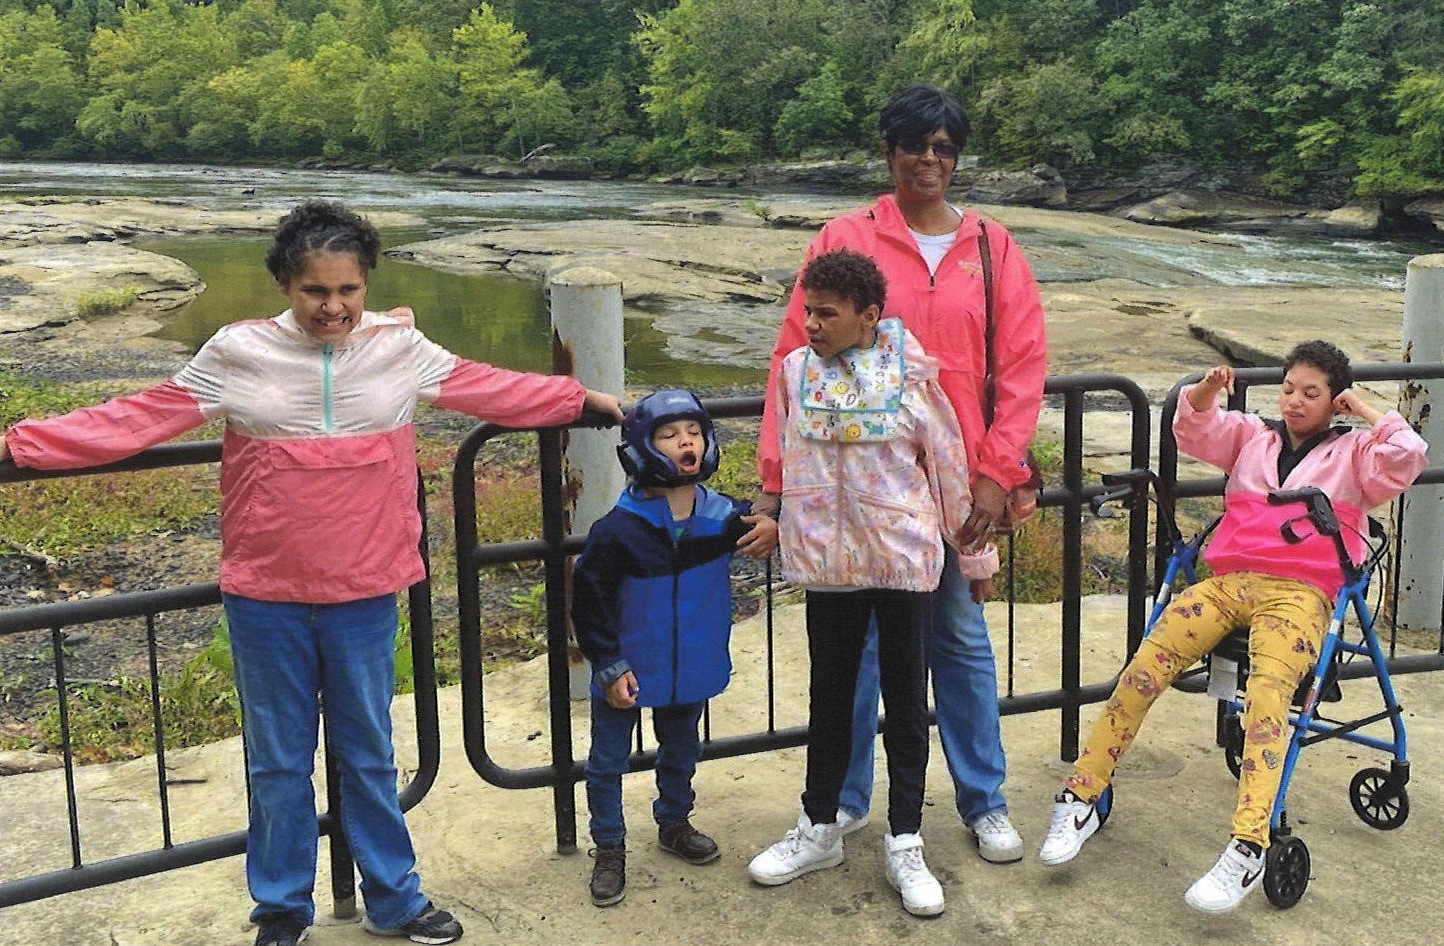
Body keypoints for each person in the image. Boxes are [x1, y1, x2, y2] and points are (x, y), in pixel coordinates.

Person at [0, 200, 625, 946]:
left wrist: (582, 401)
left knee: (369, 755)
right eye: (315, 292)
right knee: (277, 764)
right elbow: (138, 417)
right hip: (266, 594)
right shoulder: (236, 351)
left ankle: (395, 898)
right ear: (284, 287)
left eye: (347, 291)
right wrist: (23, 444)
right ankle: (281, 910)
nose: (333, 307)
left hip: (365, 588)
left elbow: (487, 387)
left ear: (366, 286)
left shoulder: (400, 346)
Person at [756, 82, 1047, 865]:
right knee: (852, 653)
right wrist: (775, 486)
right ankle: (847, 803)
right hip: (860, 488)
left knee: (957, 639)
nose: (931, 159)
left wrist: (997, 471)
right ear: (889, 153)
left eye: (945, 147)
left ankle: (984, 800)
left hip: (954, 485)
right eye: (916, 144)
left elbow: (1020, 366)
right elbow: (792, 367)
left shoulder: (992, 246)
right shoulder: (844, 237)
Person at [1037, 340, 1427, 913]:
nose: (1294, 401)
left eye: (1311, 393)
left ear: (1334, 401)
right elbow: (1193, 428)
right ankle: (1080, 796)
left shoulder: (1356, 455)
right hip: (1228, 582)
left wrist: (1363, 407)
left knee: (1271, 695)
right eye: (1289, 388)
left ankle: (1248, 844)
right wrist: (1204, 390)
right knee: (1144, 667)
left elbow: (1409, 453)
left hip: (1301, 593)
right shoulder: (1254, 437)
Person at [747, 249, 997, 917]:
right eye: (807, 311)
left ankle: (906, 839)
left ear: (870, 317)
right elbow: (783, 451)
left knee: (907, 704)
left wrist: (974, 560)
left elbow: (947, 468)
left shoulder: (913, 378)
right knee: (829, 697)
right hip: (829, 565)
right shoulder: (795, 374)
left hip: (903, 562)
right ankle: (819, 826)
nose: (812, 325)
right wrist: (772, 509)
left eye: (827, 314)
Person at [570, 389, 778, 908]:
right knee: (608, 759)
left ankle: (675, 821)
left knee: (683, 748)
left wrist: (775, 522)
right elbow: (590, 605)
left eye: (694, 433)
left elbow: (775, 525)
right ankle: (610, 845)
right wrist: (609, 664)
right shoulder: (618, 531)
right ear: (642, 447)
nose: (686, 442)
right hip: (627, 668)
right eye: (669, 435)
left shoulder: (725, 517)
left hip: (691, 667)